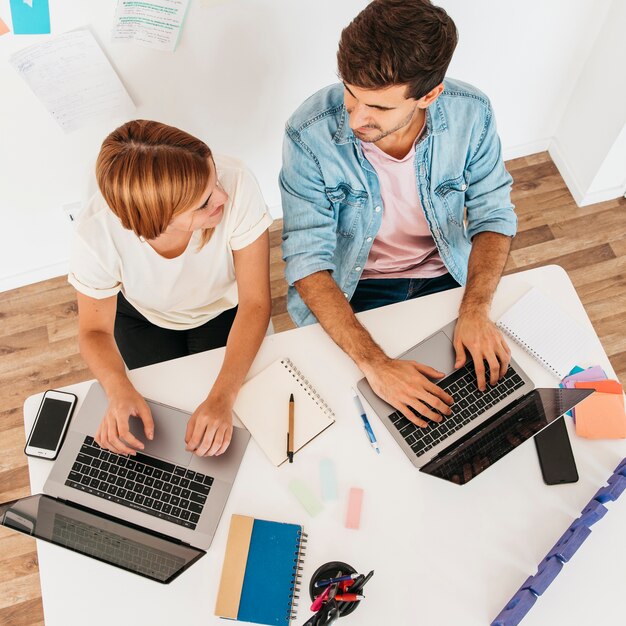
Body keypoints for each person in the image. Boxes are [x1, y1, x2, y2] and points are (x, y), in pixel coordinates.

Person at [280, 0, 517, 429]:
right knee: (361, 420)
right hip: (356, 288)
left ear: (429, 95)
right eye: (351, 95)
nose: (356, 120)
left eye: (380, 108)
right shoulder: (308, 131)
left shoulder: (472, 113)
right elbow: (306, 259)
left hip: (447, 276)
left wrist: (476, 309)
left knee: (488, 408)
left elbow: (493, 214)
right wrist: (375, 364)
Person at [69, 120, 272, 458]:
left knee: (237, 414)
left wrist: (222, 396)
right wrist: (118, 389)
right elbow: (93, 330)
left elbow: (255, 302)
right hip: (143, 316)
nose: (222, 196)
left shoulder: (237, 181)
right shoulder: (95, 234)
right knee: (161, 424)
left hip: (226, 307)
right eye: (204, 202)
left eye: (214, 180)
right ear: (158, 221)